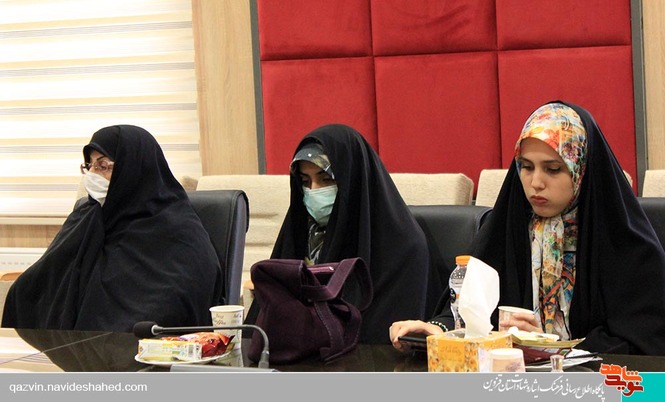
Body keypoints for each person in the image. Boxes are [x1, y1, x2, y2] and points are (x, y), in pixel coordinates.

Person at [390, 101, 665, 355]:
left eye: (553, 169)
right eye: (526, 167)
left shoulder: (624, 243)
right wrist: (439, 330)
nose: (536, 183)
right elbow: (470, 312)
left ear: (581, 169)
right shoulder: (506, 228)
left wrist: (551, 347)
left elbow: (644, 342)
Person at [2, 125, 224, 332]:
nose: (93, 175)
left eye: (103, 166)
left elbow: (174, 301)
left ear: (134, 168)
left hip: (139, 348)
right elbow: (45, 278)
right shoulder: (87, 215)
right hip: (71, 348)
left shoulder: (178, 230)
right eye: (89, 166)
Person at [248, 123, 430, 344]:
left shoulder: (403, 247)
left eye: (326, 179)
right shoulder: (301, 233)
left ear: (353, 178)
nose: (314, 191)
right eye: (305, 182)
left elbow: (389, 340)